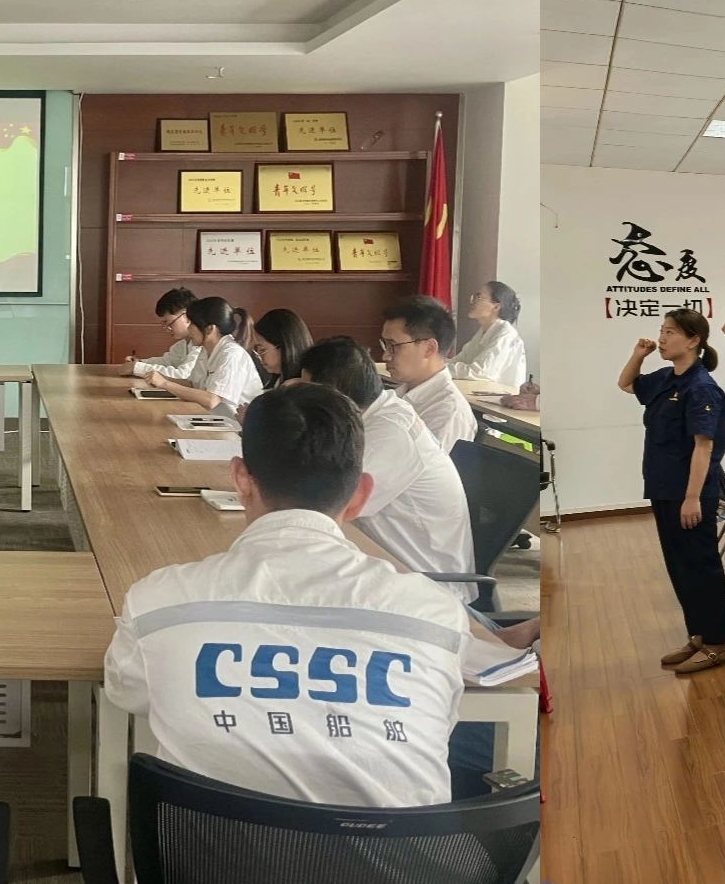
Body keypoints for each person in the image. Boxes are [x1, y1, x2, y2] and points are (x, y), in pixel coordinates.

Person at [102, 383, 477, 807]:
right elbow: (437, 725)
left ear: (241, 479)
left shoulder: (158, 602)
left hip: (200, 848)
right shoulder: (437, 616)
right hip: (405, 851)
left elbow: (127, 692)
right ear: (360, 495)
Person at [299, 339, 478, 590]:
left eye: (308, 393)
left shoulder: (391, 432)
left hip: (424, 582)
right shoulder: (370, 417)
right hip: (377, 559)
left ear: (335, 393)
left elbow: (326, 506)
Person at [620, 307, 725, 674]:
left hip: (690, 493)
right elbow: (626, 384)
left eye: (670, 332)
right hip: (663, 486)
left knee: (701, 567)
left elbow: (704, 446)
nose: (662, 338)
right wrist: (639, 354)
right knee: (680, 567)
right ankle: (698, 634)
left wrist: (692, 498)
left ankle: (717, 643)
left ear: (694, 340)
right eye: (662, 330)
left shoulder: (702, 387)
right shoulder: (667, 378)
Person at [383, 296, 480, 447]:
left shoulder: (447, 414)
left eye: (394, 346)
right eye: (385, 345)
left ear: (429, 348)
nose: (385, 356)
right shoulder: (399, 395)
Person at [146, 296, 266, 415]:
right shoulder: (205, 350)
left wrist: (165, 383)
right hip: (211, 418)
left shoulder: (231, 354)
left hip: (234, 424)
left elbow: (211, 400)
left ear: (210, 329)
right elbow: (192, 384)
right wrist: (163, 378)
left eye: (192, 324)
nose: (189, 329)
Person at [453, 281, 528, 388]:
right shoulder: (484, 331)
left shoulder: (506, 334)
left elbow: (481, 372)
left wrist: (440, 368)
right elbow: (460, 360)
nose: (472, 301)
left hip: (501, 397)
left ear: (496, 306)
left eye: (478, 297)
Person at [127, 287, 203, 379]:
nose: (167, 329)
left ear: (187, 315)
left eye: (169, 322)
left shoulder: (202, 344)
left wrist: (137, 368)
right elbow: (167, 362)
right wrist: (139, 363)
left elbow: (184, 375)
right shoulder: (183, 344)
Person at [246, 307, 314, 391]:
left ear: (284, 347)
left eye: (262, 349)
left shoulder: (302, 388)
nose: (259, 356)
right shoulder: (277, 380)